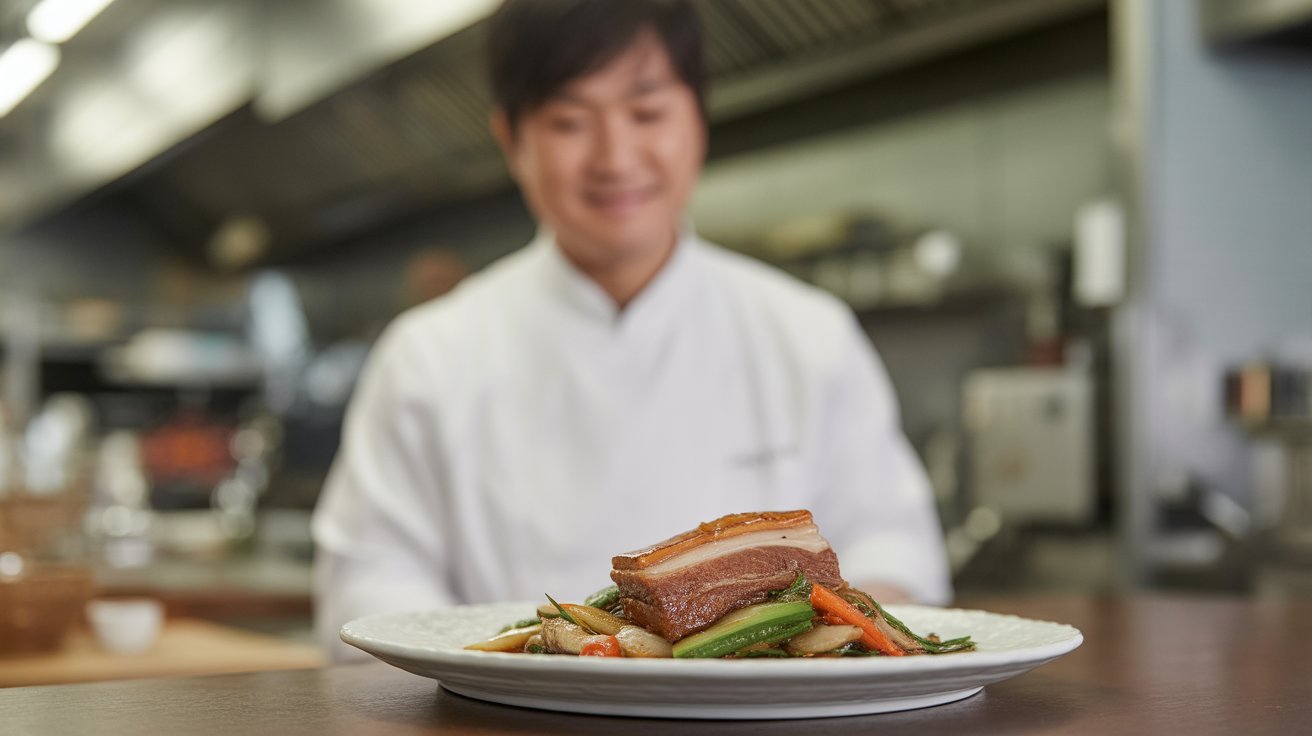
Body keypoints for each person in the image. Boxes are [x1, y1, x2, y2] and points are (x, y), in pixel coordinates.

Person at [312, 0, 951, 660]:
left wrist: (823, 652)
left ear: (697, 117)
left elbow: (896, 553)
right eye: (569, 121)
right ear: (512, 140)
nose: (616, 156)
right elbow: (369, 593)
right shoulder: (428, 356)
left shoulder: (809, 335)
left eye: (646, 112)